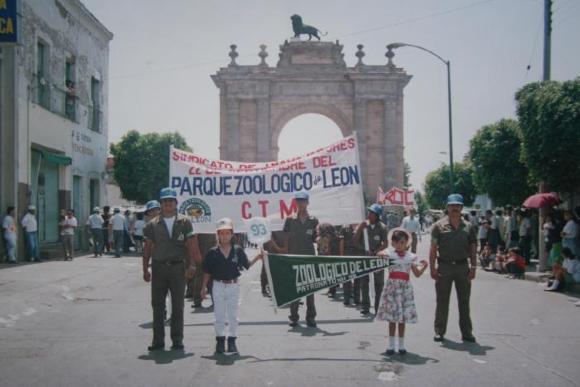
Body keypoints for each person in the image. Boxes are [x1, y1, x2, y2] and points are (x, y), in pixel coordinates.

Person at [142, 187, 201, 351]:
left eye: (171, 201)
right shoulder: (152, 225)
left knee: (178, 305)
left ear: (176, 203)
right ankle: (158, 341)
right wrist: (145, 269)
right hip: (158, 267)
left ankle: (177, 340)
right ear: (160, 204)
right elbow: (147, 249)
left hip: (177, 268)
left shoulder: (185, 221)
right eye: (165, 201)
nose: (168, 204)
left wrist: (192, 265)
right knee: (158, 305)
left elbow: (190, 245)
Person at [201, 217, 263, 354]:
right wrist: (203, 288)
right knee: (219, 315)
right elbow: (207, 271)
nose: (224, 236)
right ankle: (220, 341)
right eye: (221, 233)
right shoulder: (212, 252)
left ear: (232, 234)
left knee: (233, 315)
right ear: (218, 235)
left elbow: (246, 265)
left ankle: (232, 340)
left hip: (233, 286)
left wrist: (258, 258)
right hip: (217, 285)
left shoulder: (238, 250)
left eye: (227, 233)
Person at [430, 194, 477, 343]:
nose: (455, 208)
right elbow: (433, 248)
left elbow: (473, 248)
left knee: (464, 301)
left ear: (462, 208)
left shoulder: (469, 227)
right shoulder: (438, 226)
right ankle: (439, 331)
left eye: (458, 205)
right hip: (444, 266)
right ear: (447, 207)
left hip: (463, 267)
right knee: (442, 301)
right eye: (452, 205)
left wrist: (474, 267)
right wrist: (432, 268)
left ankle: (467, 332)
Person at [377, 228, 428, 355]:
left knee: (402, 318)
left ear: (407, 243)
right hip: (392, 288)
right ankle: (390, 345)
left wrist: (424, 266)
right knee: (392, 318)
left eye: (403, 242)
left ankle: (401, 345)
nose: (400, 245)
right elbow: (379, 255)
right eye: (397, 243)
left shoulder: (410, 257)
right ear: (393, 243)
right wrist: (381, 254)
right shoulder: (389, 254)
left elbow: (416, 273)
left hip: (405, 289)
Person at [282, 191, 319, 328]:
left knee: (310, 289)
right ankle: (294, 317)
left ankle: (311, 318)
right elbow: (285, 238)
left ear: (307, 203)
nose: (301, 204)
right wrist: (285, 256)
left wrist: (321, 238)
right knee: (295, 289)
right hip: (294, 257)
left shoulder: (314, 220)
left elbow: (316, 238)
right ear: (295, 203)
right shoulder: (290, 219)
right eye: (298, 201)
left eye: (303, 201)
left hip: (309, 257)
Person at [355, 203, 388, 315]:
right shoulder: (363, 225)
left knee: (379, 283)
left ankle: (378, 307)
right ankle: (365, 306)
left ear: (377, 215)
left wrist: (376, 251)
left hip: (377, 258)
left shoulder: (382, 227)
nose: (369, 214)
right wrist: (360, 229)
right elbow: (355, 241)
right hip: (364, 257)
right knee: (364, 282)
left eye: (372, 213)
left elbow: (386, 243)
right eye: (369, 212)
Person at [339, 223, 363, 306]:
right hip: (348, 254)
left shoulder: (361, 226)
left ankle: (356, 299)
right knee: (347, 278)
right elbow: (342, 242)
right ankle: (347, 299)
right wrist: (342, 256)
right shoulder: (345, 227)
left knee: (357, 278)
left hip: (358, 254)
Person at [317, 223, 340, 298]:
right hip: (326, 256)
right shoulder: (321, 238)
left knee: (331, 273)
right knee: (329, 273)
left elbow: (328, 249)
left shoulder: (329, 238)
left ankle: (332, 290)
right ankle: (332, 289)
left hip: (329, 256)